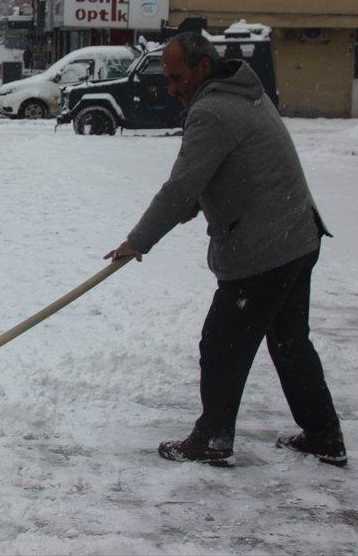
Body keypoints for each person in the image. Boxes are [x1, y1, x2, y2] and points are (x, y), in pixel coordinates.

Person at [106, 32, 345, 468]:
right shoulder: (244, 92)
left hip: (266, 247)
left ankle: (212, 438)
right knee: (290, 342)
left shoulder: (213, 110)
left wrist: (136, 242)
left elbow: (179, 188)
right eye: (167, 77)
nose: (172, 87)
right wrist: (199, 199)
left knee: (222, 344)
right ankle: (323, 434)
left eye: (178, 77)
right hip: (297, 235)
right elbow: (231, 165)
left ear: (202, 68)